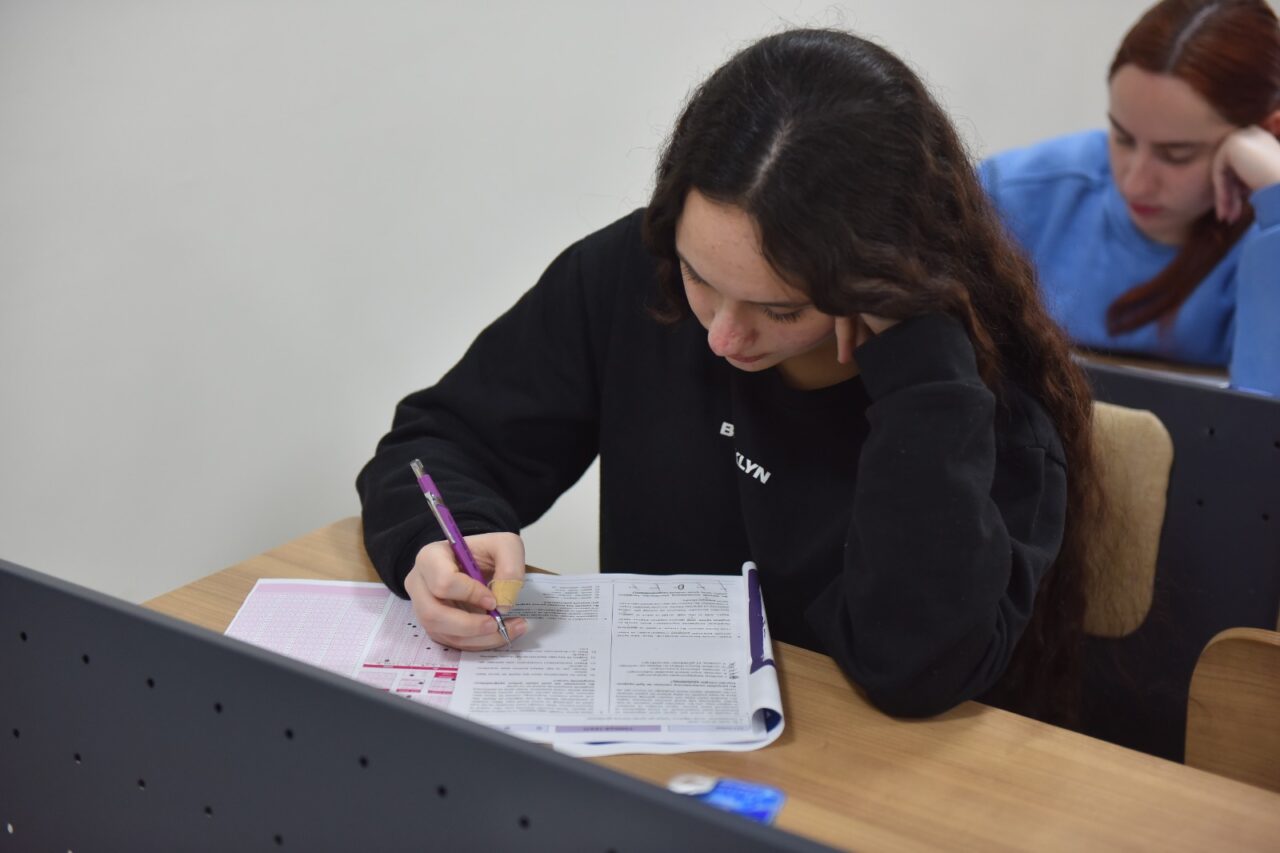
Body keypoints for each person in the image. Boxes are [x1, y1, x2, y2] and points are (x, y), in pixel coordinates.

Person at [357, 29, 1098, 725]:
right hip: (652, 748)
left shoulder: (974, 403)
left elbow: (915, 671)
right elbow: (441, 443)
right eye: (699, 277)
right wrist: (441, 541)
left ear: (881, 276)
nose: (722, 335)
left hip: (858, 778)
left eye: (781, 309)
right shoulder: (629, 275)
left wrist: (918, 385)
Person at [980, 0, 1280, 394]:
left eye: (1176, 155)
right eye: (1122, 138)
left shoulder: (1267, 233)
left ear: (1268, 132)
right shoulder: (1012, 194)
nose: (1135, 184)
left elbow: (1264, 421)